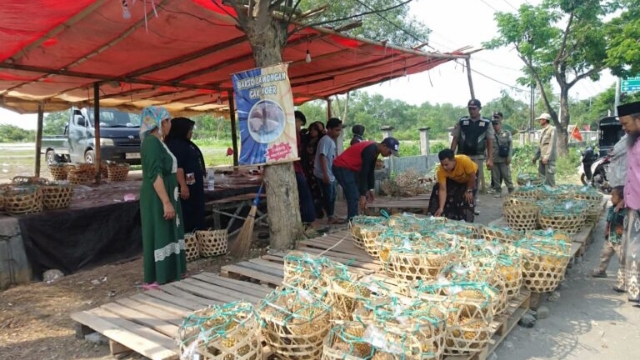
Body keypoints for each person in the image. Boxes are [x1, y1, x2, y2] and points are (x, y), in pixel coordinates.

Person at [139, 106, 186, 289]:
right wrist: (166, 202)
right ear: (161, 122)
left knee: (167, 231)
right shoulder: (151, 143)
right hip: (157, 196)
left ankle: (170, 271)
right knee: (158, 231)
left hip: (166, 193)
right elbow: (154, 175)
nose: (170, 125)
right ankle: (156, 276)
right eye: (168, 121)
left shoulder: (159, 142)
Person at [333, 137, 400, 220]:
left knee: (355, 193)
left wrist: (370, 189)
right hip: (341, 167)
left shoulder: (375, 150)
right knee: (353, 195)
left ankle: (354, 218)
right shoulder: (371, 149)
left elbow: (370, 171)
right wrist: (363, 195)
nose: (389, 155)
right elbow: (364, 173)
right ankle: (352, 220)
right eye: (389, 152)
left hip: (349, 169)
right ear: (384, 146)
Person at [165, 117, 206, 233]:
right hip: (186, 184)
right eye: (189, 130)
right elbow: (178, 167)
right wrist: (183, 185)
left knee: (196, 207)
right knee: (188, 209)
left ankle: (197, 232)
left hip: (193, 183)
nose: (191, 133)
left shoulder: (185, 143)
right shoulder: (176, 145)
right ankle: (190, 234)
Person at [617, 101, 640, 303]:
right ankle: (631, 286)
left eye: (626, 123)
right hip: (632, 201)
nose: (624, 128)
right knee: (631, 246)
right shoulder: (632, 140)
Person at [450, 99, 494, 196]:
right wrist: (450, 155)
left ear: (479, 109)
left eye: (474, 108)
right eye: (470, 108)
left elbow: (490, 142)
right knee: (460, 180)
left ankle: (472, 205)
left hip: (477, 157)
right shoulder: (462, 121)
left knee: (474, 181)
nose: (472, 111)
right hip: (462, 156)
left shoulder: (486, 123)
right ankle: (460, 204)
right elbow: (455, 139)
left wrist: (490, 159)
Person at [427, 149, 478, 222]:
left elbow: (472, 176)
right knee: (437, 187)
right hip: (455, 179)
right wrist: (441, 207)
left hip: (470, 178)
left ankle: (466, 220)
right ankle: (442, 215)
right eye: (442, 164)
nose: (444, 167)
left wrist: (469, 190)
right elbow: (442, 190)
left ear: (453, 160)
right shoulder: (441, 171)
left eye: (446, 164)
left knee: (465, 197)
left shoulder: (464, 160)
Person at [592, 186, 627, 284]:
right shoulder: (612, 209)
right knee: (604, 255)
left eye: (613, 196)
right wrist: (606, 230)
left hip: (621, 241)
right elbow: (609, 220)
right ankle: (601, 270)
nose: (611, 198)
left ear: (622, 199)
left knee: (623, 260)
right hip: (610, 238)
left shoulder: (627, 211)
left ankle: (624, 277)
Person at [314, 118, 344, 224]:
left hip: (329, 173)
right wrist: (325, 174)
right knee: (328, 196)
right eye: (336, 130)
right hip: (324, 174)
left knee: (331, 195)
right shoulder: (326, 140)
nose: (338, 133)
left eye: (339, 130)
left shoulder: (330, 140)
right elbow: (322, 156)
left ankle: (331, 215)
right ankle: (329, 216)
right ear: (329, 129)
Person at [294, 111, 317, 228]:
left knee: (305, 194)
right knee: (304, 194)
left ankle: (309, 220)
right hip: (295, 168)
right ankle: (308, 220)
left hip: (299, 168)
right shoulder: (292, 134)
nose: (299, 127)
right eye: (299, 123)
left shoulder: (299, 135)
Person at [302, 121, 325, 218]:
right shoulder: (306, 140)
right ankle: (312, 210)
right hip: (307, 168)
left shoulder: (321, 141)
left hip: (316, 168)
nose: (312, 131)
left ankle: (318, 210)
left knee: (318, 190)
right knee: (310, 189)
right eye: (311, 129)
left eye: (315, 130)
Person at [489, 112, 514, 196]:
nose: (495, 126)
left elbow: (510, 146)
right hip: (494, 158)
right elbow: (488, 148)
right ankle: (498, 191)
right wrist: (489, 159)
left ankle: (511, 189)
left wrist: (509, 157)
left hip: (503, 159)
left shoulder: (507, 133)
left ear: (500, 124)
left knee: (506, 175)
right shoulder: (490, 134)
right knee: (495, 176)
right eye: (493, 124)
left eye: (496, 124)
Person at [532, 113, 557, 187]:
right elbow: (540, 146)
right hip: (541, 158)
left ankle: (552, 194)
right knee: (541, 179)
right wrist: (535, 157)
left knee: (549, 179)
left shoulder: (552, 129)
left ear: (545, 120)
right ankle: (543, 195)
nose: (539, 121)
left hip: (548, 159)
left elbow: (552, 144)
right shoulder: (542, 131)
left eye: (540, 120)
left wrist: (547, 157)